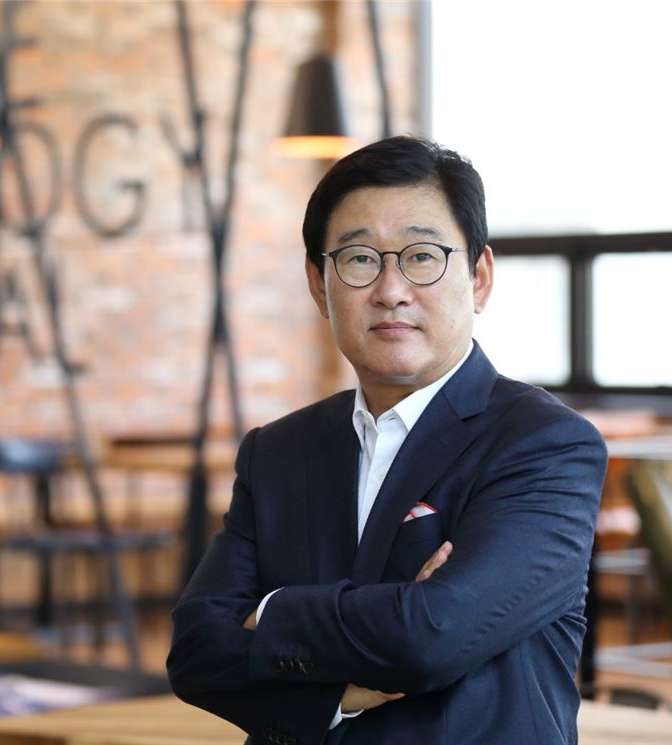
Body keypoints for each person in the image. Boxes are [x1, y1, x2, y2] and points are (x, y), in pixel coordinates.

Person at [166, 135, 607, 745]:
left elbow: (431, 636)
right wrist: (339, 689)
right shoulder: (277, 452)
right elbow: (195, 650)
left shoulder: (546, 444)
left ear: (479, 278)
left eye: (422, 256)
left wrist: (268, 611)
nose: (391, 289)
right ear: (319, 285)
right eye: (359, 259)